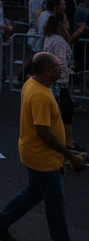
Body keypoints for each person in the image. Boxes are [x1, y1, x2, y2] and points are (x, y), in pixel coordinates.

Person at [0, 52, 89, 241]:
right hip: (43, 158)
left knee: (34, 192)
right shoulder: (41, 94)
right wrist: (70, 155)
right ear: (47, 71)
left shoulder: (31, 83)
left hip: (33, 152)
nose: (62, 69)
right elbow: (43, 130)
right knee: (56, 205)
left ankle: (0, 221)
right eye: (58, 66)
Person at [42, 13, 84, 153]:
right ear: (61, 24)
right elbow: (60, 63)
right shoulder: (59, 41)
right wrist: (64, 79)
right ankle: (66, 143)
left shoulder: (50, 37)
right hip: (59, 83)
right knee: (65, 110)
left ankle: (64, 142)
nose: (68, 23)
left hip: (52, 81)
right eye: (66, 21)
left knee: (62, 110)